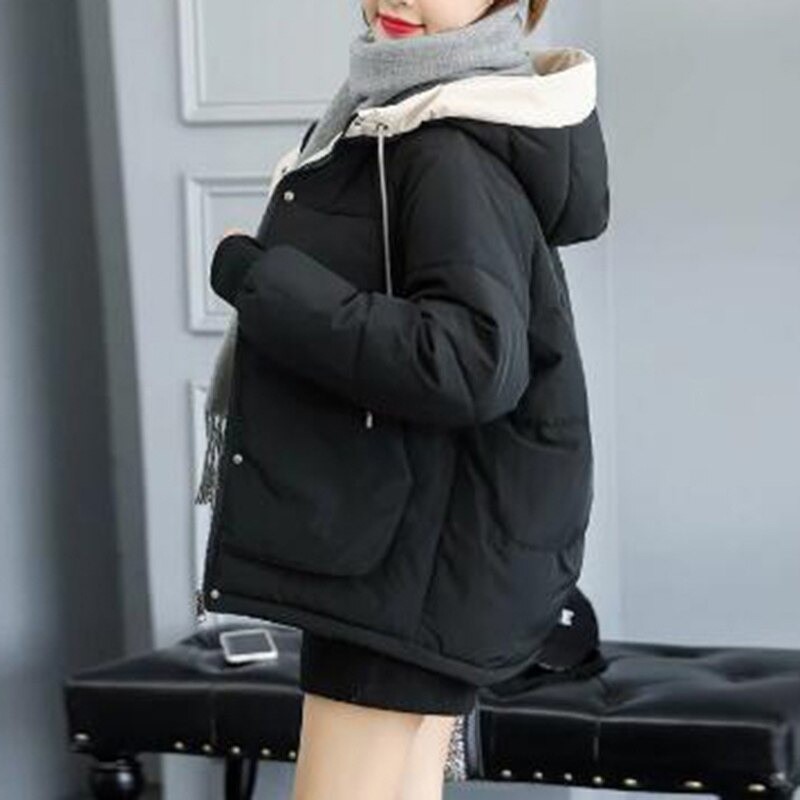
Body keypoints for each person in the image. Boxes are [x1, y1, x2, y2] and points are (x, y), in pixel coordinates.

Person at [196, 0, 610, 798]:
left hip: (405, 555)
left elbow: (471, 361)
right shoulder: (402, 117)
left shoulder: (443, 145)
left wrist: (260, 281)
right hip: (406, 538)